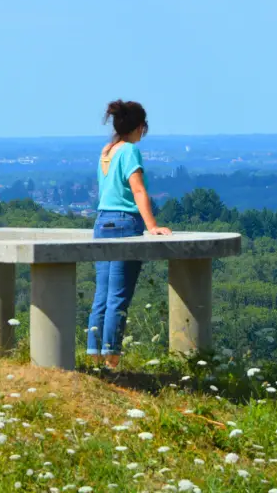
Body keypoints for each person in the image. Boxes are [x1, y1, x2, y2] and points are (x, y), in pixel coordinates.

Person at [86, 100, 171, 368]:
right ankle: (112, 359)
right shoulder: (130, 151)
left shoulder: (107, 150)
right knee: (118, 297)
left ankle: (93, 355)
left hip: (101, 223)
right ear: (139, 127)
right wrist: (152, 226)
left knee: (102, 295)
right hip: (125, 224)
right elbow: (137, 190)